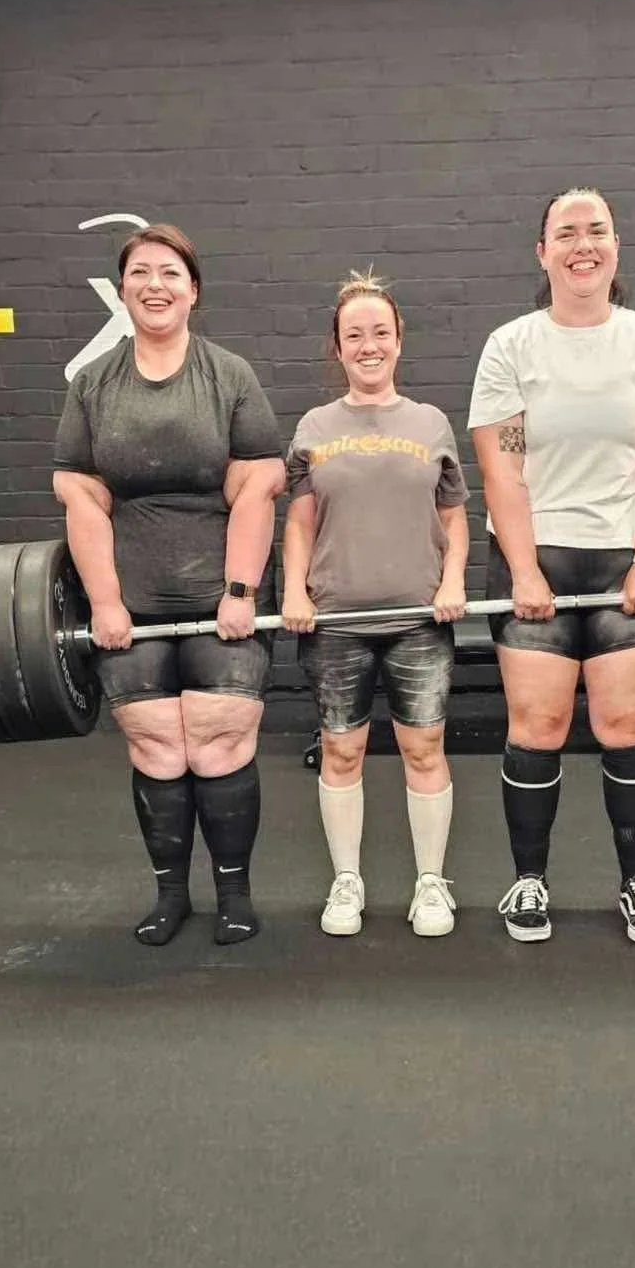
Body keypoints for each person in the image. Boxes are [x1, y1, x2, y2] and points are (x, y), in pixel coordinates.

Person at [467, 188, 635, 947]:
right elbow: (501, 471)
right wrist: (524, 569)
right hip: (536, 556)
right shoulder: (511, 346)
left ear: (616, 246)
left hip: (626, 559)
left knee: (627, 725)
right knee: (539, 726)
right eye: (566, 233)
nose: (582, 244)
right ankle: (528, 882)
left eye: (596, 230)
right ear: (543, 252)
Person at [53, 223, 286, 947]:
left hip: (222, 593)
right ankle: (170, 897)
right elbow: (82, 495)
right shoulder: (93, 384)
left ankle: (234, 895)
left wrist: (241, 591)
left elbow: (258, 483)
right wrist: (106, 602)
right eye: (140, 273)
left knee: (219, 741)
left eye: (170, 274)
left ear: (194, 291)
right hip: (133, 599)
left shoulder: (229, 376)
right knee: (156, 746)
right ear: (121, 290)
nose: (155, 285)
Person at [282, 270, 469, 937]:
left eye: (380, 333)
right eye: (354, 335)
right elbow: (300, 521)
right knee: (342, 753)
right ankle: (347, 882)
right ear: (337, 348)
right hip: (336, 622)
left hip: (418, 621)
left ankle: (429, 884)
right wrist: (292, 590)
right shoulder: (314, 426)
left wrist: (452, 583)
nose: (369, 345)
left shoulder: (430, 423)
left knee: (424, 750)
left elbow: (454, 517)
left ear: (399, 341)